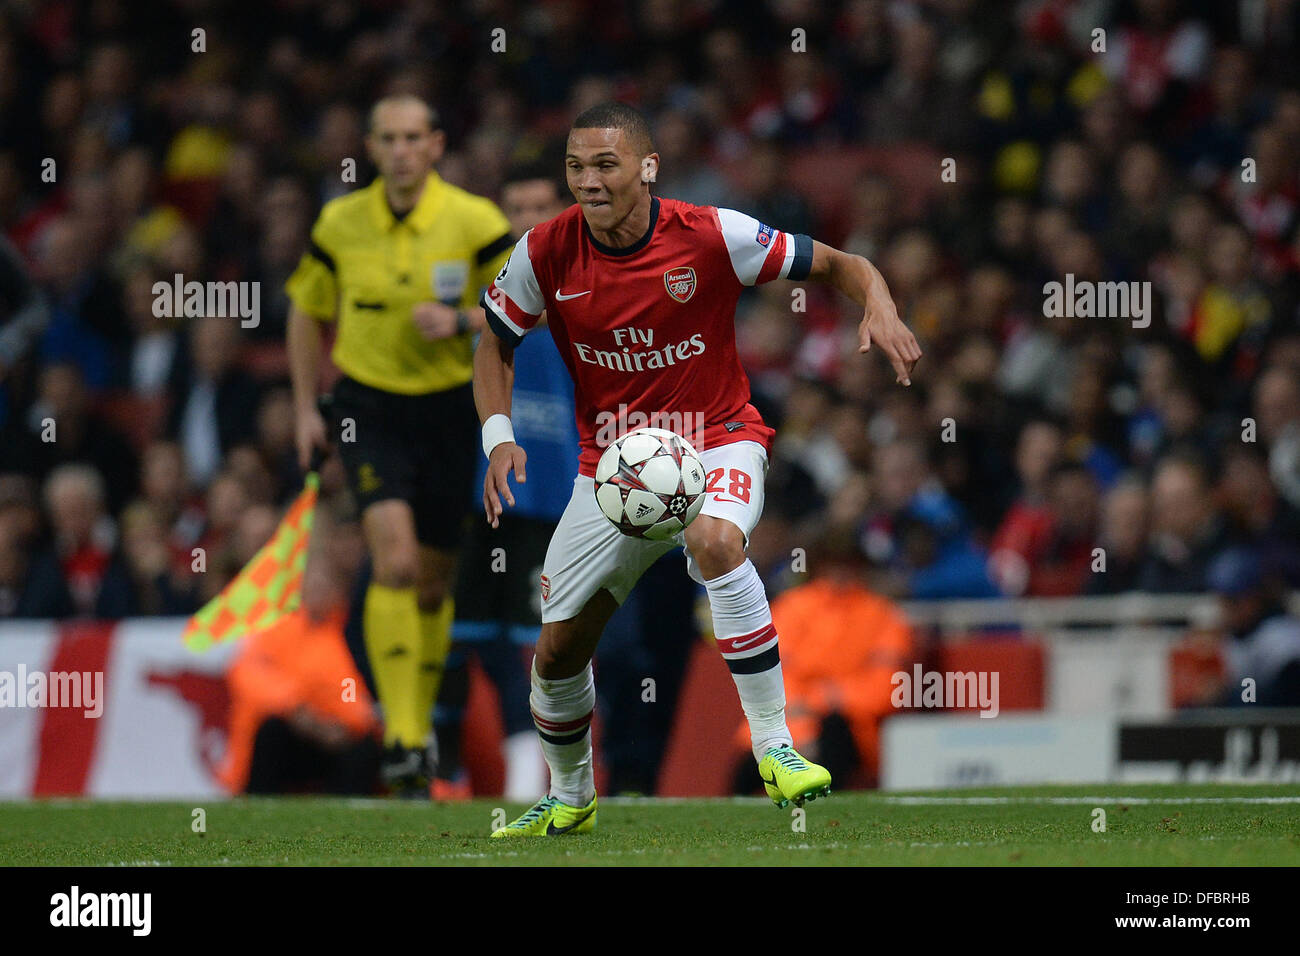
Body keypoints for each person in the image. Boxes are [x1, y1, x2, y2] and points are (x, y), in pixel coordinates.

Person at [476, 102, 921, 836]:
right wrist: (499, 436)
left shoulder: (716, 235)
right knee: (557, 653)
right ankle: (571, 794)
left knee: (715, 542)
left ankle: (778, 749)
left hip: (716, 441)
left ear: (648, 168)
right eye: (576, 167)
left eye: (606, 165)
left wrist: (879, 302)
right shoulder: (543, 253)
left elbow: (843, 263)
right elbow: (492, 342)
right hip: (611, 473)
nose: (588, 182)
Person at [285, 95, 513, 795]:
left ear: (437, 144)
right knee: (397, 560)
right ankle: (408, 737)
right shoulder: (341, 222)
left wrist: (462, 318)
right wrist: (304, 408)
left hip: (450, 410)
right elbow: (305, 310)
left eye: (416, 137)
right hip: (368, 406)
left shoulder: (475, 221)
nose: (403, 150)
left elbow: (524, 303)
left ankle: (416, 737)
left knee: (434, 581)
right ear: (373, 147)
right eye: (389, 138)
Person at [434, 162, 575, 800]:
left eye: (535, 207)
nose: (522, 221)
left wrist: (462, 320)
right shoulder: (487, 280)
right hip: (485, 489)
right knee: (465, 630)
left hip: (554, 495)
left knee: (538, 637)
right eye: (512, 208)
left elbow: (539, 313)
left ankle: (543, 767)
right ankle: (444, 771)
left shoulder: (577, 279)